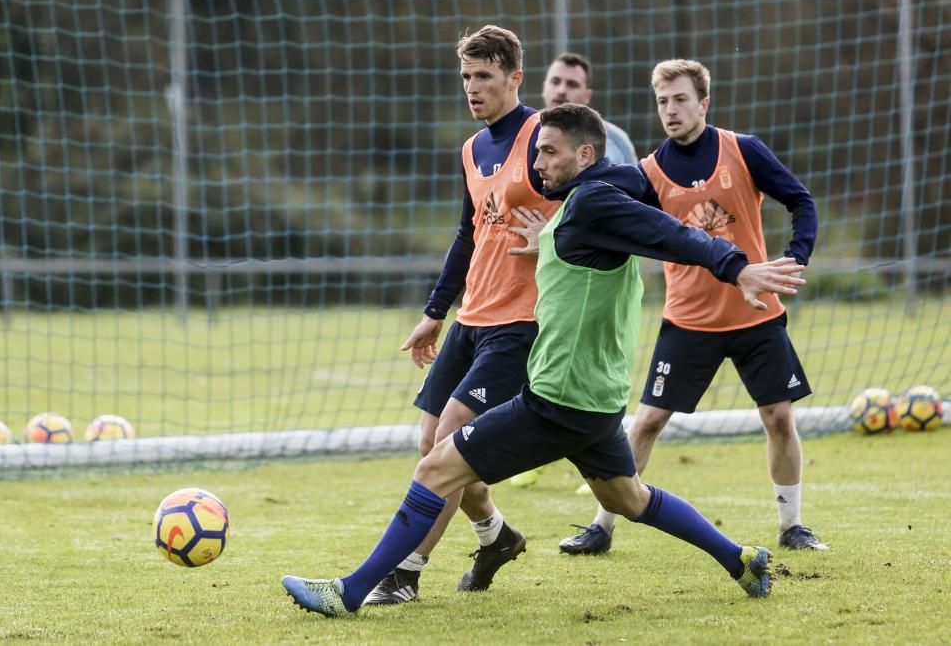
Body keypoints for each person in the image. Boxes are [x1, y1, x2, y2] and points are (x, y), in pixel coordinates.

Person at [280, 102, 809, 617]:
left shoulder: (593, 203)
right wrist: (547, 240)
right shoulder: (593, 200)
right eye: (536, 154)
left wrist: (735, 266)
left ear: (584, 154)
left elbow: (676, 235)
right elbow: (617, 231)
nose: (538, 165)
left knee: (435, 467)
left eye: (550, 153)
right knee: (630, 498)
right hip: (597, 400)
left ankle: (350, 592)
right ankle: (740, 559)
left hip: (557, 398)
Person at [558, 58, 825, 558]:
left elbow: (801, 201)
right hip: (688, 323)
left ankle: (793, 525)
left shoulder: (743, 151)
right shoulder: (647, 174)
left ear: (704, 102)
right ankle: (601, 526)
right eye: (662, 101)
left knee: (780, 418)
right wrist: (549, 232)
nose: (670, 110)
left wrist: (795, 259)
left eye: (680, 99)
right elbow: (596, 210)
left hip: (755, 314)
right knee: (647, 423)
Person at [360, 25, 556, 606]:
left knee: (449, 443)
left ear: (514, 78)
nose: (473, 87)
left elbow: (598, 198)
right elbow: (466, 236)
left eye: (485, 77)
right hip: (472, 317)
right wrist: (435, 312)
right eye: (467, 76)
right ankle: (496, 537)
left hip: (521, 322)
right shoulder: (472, 148)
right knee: (430, 444)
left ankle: (405, 574)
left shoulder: (544, 137)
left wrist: (558, 232)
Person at [509, 52, 638, 489]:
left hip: (586, 272)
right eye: (555, 81)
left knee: (581, 364)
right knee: (539, 358)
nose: (561, 89)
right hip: (533, 271)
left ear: (587, 96)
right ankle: (548, 451)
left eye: (571, 84)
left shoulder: (613, 144)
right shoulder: (524, 135)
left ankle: (588, 447)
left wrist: (561, 233)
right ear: (542, 87)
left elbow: (629, 206)